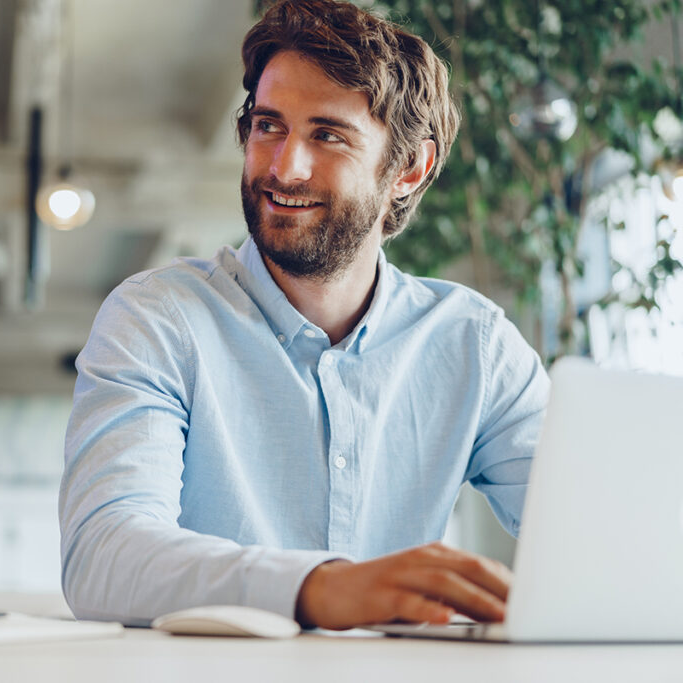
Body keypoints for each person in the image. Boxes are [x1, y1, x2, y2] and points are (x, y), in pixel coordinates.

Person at [59, 0, 549, 631]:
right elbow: (104, 554)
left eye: (327, 134)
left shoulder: (475, 346)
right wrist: (319, 589)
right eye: (269, 127)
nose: (284, 167)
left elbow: (596, 530)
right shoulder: (158, 319)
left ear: (408, 168)